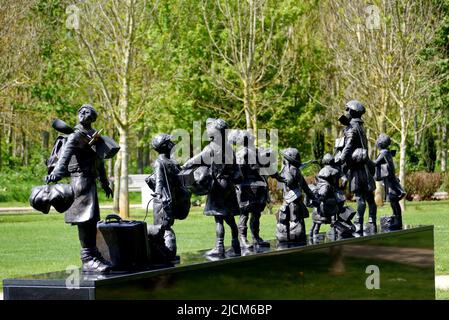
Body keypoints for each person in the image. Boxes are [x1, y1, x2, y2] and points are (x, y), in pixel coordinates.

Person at [46, 104, 113, 273]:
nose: (83, 114)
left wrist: (105, 183)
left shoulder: (93, 135)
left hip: (89, 182)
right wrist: (56, 174)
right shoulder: (75, 135)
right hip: (79, 182)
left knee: (92, 220)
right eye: (81, 111)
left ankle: (94, 254)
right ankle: (88, 258)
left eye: (88, 112)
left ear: (93, 118)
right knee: (84, 220)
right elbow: (65, 156)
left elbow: (100, 162)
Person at [182, 118, 242, 258]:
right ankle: (235, 246)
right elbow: (237, 170)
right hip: (229, 186)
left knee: (219, 219)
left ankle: (219, 247)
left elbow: (194, 161)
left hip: (217, 187)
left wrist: (184, 166)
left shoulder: (211, 148)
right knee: (230, 219)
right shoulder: (229, 149)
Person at [146, 133, 191, 263]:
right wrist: (158, 193)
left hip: (166, 201)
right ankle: (166, 254)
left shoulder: (166, 162)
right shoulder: (164, 162)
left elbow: (172, 179)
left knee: (164, 228)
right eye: (170, 142)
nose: (173, 144)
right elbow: (160, 181)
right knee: (164, 228)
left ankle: (167, 254)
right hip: (165, 201)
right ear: (165, 146)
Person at [335, 100, 377, 235]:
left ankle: (359, 222)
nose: (346, 112)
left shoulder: (351, 129)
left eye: (347, 110)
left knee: (360, 197)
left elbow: (347, 148)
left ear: (352, 112)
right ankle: (371, 221)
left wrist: (340, 161)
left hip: (357, 169)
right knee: (369, 197)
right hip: (365, 167)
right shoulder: (360, 127)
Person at [231, 130, 270, 249]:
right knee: (244, 214)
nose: (253, 139)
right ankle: (243, 239)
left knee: (256, 213)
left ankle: (256, 237)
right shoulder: (242, 153)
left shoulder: (257, 151)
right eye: (251, 138)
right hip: (245, 186)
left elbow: (263, 169)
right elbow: (239, 171)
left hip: (258, 186)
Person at [273, 148, 317, 243]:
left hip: (292, 199)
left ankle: (292, 237)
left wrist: (313, 197)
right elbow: (305, 187)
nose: (282, 158)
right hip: (291, 199)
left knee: (292, 218)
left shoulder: (290, 170)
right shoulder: (290, 169)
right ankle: (288, 237)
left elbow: (303, 186)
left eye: (283, 157)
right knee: (290, 219)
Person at [374, 133, 406, 230]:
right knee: (393, 201)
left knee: (393, 200)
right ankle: (396, 219)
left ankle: (398, 220)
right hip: (390, 181)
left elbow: (375, 163)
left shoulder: (384, 152)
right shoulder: (386, 152)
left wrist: (366, 160)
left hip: (391, 182)